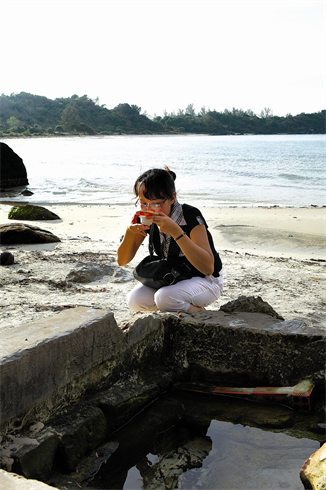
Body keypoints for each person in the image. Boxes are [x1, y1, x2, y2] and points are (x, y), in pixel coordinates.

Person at [117, 167, 223, 313]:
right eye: (143, 203)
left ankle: (200, 313)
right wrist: (130, 232)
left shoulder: (189, 215)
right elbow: (122, 260)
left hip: (206, 281)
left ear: (172, 198)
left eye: (156, 203)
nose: (149, 209)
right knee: (135, 300)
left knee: (164, 298)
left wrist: (176, 231)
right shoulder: (144, 217)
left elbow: (208, 268)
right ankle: (175, 310)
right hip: (172, 278)